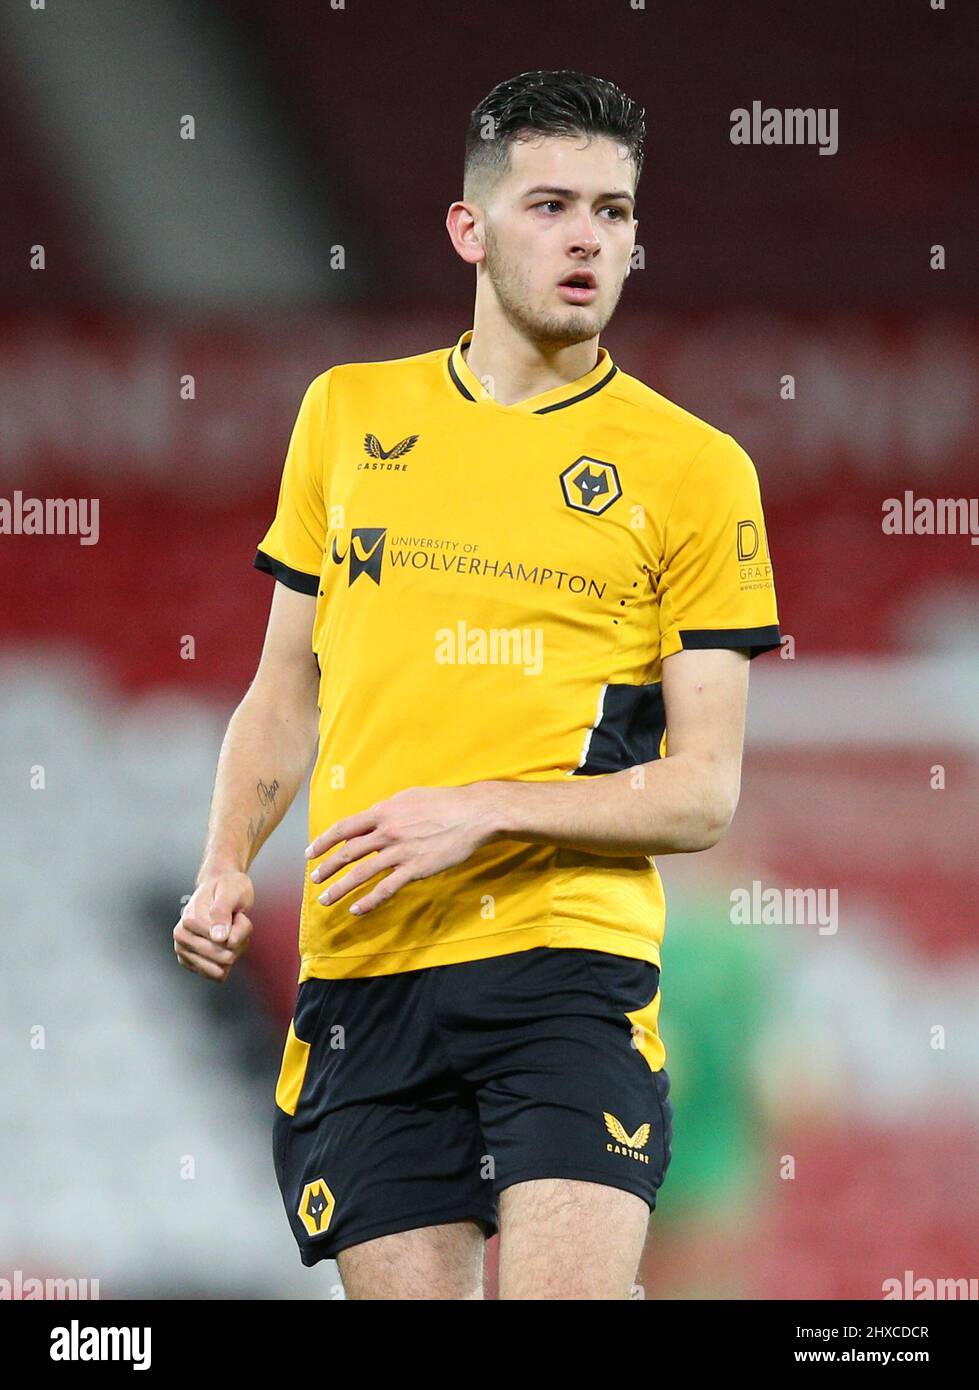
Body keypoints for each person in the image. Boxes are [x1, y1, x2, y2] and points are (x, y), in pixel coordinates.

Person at [175, 68, 780, 1300]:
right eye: (551, 204)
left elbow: (703, 794)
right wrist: (228, 859)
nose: (586, 239)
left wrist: (485, 806)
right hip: (365, 964)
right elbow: (284, 688)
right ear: (469, 228)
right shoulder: (345, 416)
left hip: (566, 966)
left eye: (612, 212)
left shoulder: (697, 469)